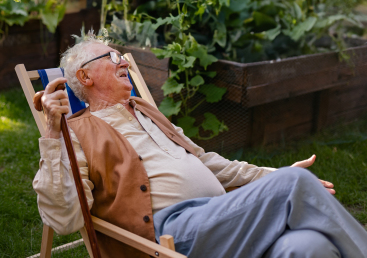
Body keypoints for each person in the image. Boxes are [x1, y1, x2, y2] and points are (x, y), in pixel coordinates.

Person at [32, 35, 367, 258]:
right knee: (294, 186)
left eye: (121, 56)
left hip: (219, 217)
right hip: (169, 236)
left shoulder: (145, 110)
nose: (125, 63)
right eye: (112, 56)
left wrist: (271, 176)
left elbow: (204, 160)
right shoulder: (73, 132)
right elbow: (64, 217)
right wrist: (52, 132)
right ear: (85, 77)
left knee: (309, 246)